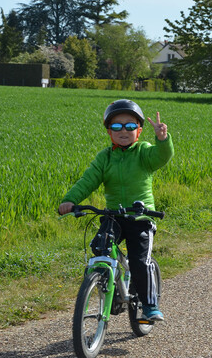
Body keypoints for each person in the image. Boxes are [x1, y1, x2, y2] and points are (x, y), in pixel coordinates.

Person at [59, 99, 173, 321]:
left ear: (139, 131)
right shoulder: (105, 157)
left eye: (130, 126)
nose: (123, 131)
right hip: (113, 216)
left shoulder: (144, 152)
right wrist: (70, 200)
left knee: (140, 261)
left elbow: (162, 157)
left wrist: (162, 140)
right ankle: (108, 289)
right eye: (116, 126)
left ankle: (149, 304)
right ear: (109, 131)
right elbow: (87, 181)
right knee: (99, 246)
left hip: (141, 216)